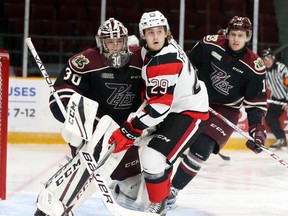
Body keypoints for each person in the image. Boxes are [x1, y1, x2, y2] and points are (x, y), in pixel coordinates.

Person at [35, 17, 144, 216]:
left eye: (119, 41)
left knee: (134, 186)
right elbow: (60, 98)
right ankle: (52, 207)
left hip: (124, 133)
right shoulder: (85, 61)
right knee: (86, 173)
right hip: (94, 130)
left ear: (126, 41)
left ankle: (118, 189)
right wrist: (83, 124)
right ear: (101, 43)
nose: (115, 47)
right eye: (110, 42)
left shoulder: (141, 58)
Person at [108, 10, 209, 215]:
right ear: (144, 35)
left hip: (189, 113)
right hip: (174, 106)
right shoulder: (151, 50)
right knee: (141, 143)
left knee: (153, 158)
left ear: (167, 33)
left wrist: (130, 130)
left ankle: (159, 202)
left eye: (159, 32)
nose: (155, 37)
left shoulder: (166, 60)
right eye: (150, 32)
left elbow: (159, 107)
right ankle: (136, 186)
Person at [167, 16, 268, 206]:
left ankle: (173, 190)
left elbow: (255, 104)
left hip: (226, 109)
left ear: (247, 37)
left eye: (241, 35)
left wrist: (257, 130)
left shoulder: (254, 66)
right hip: (196, 98)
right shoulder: (209, 44)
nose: (236, 39)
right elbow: (187, 64)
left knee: (201, 149)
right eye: (233, 34)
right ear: (227, 34)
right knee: (171, 139)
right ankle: (154, 182)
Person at [262, 48, 288, 149]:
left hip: (286, 98)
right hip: (276, 99)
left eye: (268, 58)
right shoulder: (265, 72)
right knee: (270, 118)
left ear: (273, 58)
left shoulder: (282, 68)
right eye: (264, 59)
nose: (266, 61)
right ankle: (281, 140)